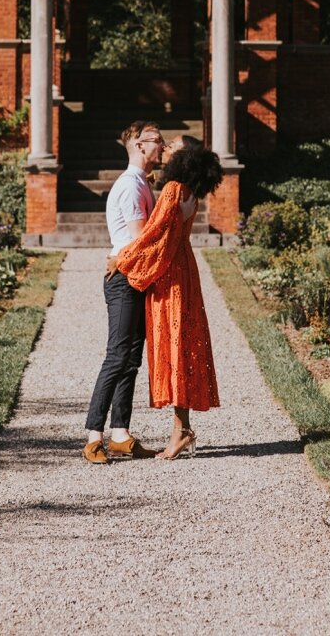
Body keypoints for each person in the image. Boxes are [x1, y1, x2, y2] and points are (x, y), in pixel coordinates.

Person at [113, 137, 224, 460]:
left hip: (172, 276)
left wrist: (121, 260)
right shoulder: (187, 192)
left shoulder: (175, 189)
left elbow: (152, 235)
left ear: (184, 157)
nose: (166, 148)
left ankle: (181, 431)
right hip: (183, 271)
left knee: (174, 349)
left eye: (173, 146)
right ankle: (182, 429)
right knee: (181, 347)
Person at [83, 120, 165, 464]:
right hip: (123, 279)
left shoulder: (142, 183)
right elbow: (140, 238)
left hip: (136, 277)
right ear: (139, 146)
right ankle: (93, 437)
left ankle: (120, 433)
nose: (162, 145)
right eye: (156, 141)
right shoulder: (131, 186)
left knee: (131, 359)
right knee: (117, 356)